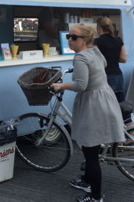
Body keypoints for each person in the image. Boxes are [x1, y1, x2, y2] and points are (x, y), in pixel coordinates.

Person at [51, 24, 125, 202]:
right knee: (89, 146)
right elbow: (102, 66)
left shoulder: (81, 57)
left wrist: (60, 85)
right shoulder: (95, 51)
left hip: (93, 104)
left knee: (90, 153)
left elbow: (80, 85)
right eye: (68, 36)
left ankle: (95, 196)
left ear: (84, 40)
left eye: (74, 37)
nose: (69, 39)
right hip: (104, 97)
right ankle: (86, 180)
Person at [95, 17, 127, 107]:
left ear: (99, 28)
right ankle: (123, 121)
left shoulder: (97, 42)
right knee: (120, 104)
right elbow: (123, 59)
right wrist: (113, 56)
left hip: (106, 75)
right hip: (118, 75)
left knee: (106, 105)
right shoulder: (118, 40)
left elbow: (93, 59)